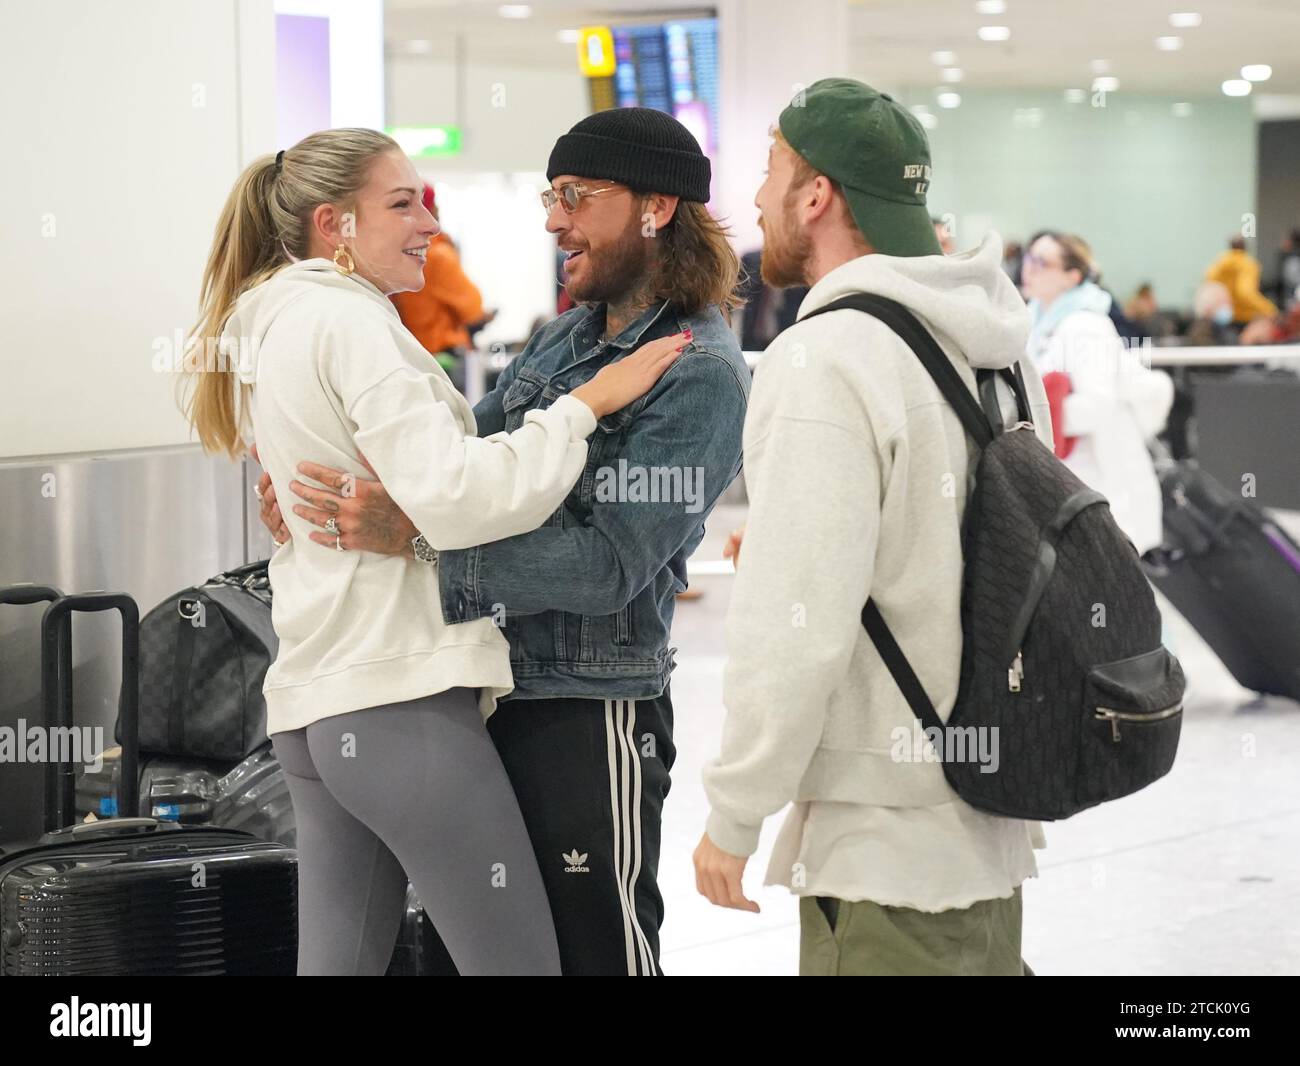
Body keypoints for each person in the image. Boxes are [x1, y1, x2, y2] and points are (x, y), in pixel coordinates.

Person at [256, 107, 750, 975]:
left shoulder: (698, 371)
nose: (553, 219)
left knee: (593, 952)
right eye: (549, 195)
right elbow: (463, 468)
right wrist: (341, 487)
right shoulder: (567, 337)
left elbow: (609, 569)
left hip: (587, 709)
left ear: (655, 209)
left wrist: (416, 541)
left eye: (574, 196)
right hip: (480, 690)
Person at [694, 78, 1054, 977]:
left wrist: (736, 811)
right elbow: (969, 547)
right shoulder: (998, 351)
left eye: (771, 168)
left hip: (885, 845)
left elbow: (795, 623)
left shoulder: (825, 356)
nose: (757, 196)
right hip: (988, 815)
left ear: (816, 194)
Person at [1021, 231, 1173, 553]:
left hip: (1102, 480)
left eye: (1041, 261)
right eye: (1028, 257)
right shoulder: (1037, 321)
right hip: (1071, 478)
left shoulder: (1085, 326)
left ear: (1071, 276)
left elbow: (1097, 404)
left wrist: (1033, 415)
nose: (1029, 267)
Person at [390, 182, 494, 390]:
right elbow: (472, 307)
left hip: (410, 356)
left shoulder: (396, 254)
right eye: (433, 203)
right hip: (443, 359)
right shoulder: (437, 255)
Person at [1204, 236, 1278, 326]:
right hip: (1244, 317)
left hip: (1221, 317)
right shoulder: (1247, 264)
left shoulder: (1219, 263)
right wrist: (1269, 309)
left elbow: (1209, 287)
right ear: (1245, 247)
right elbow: (1246, 293)